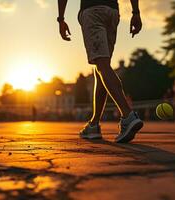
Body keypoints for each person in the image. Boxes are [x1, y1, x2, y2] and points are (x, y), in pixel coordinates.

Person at [57, 0, 144, 143]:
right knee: (102, 69)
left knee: (102, 65)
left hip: (92, 10)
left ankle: (128, 115)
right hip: (112, 12)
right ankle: (94, 124)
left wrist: (61, 19)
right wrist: (135, 12)